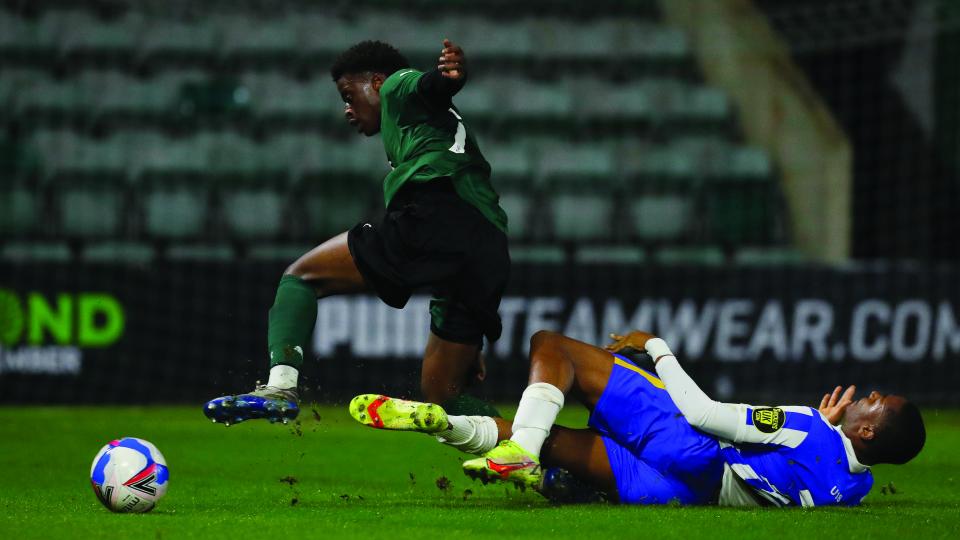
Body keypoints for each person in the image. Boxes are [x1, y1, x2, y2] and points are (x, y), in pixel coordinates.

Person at [204, 38, 509, 443]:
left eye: (349, 95)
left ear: (377, 83)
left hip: (437, 215)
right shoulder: (427, 124)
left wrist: (448, 78)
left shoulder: (397, 85)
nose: (347, 109)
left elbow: (425, 84)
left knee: (300, 278)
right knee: (444, 394)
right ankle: (537, 450)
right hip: (488, 244)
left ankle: (280, 388)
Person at [349, 330, 926, 507]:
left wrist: (656, 346)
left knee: (553, 347)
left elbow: (704, 413)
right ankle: (453, 426)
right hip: (681, 493)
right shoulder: (854, 488)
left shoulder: (805, 426)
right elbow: (816, 463)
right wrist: (827, 430)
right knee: (549, 444)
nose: (868, 394)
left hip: (689, 445)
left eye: (876, 401)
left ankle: (516, 447)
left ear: (867, 429)